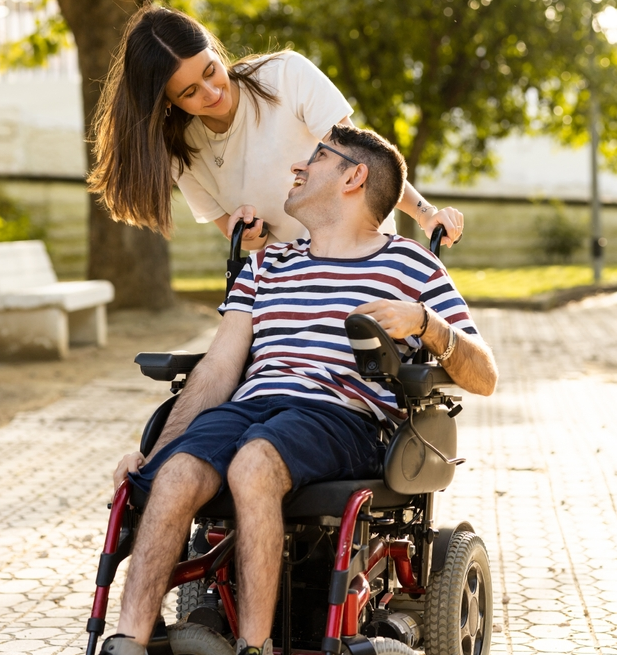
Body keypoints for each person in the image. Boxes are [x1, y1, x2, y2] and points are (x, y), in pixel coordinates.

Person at [100, 124, 497, 655]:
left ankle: (254, 647)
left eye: (317, 157)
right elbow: (218, 370)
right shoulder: (266, 264)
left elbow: (485, 375)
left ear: (354, 177)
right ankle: (128, 643)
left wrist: (426, 322)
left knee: (254, 463)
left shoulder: (410, 265)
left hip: (341, 414)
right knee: (175, 475)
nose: (297, 167)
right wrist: (151, 454)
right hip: (252, 406)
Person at [88, 4, 464, 254]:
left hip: (362, 256)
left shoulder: (286, 76)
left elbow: (364, 163)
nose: (212, 92)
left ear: (216, 52)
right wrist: (250, 233)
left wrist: (426, 213)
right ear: (167, 102)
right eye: (190, 92)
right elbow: (246, 241)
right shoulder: (182, 149)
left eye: (210, 70)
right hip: (291, 281)